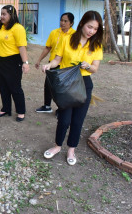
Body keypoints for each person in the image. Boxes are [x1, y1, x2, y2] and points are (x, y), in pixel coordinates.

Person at [41, 10, 103, 166]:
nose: (91, 31)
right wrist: (49, 65)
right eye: (89, 27)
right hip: (67, 83)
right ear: (82, 23)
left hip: (84, 85)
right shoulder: (67, 39)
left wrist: (89, 66)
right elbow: (57, 60)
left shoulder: (95, 44)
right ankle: (57, 146)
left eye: (95, 29)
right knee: (64, 119)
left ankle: (71, 149)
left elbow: (95, 68)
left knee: (77, 120)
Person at [35, 13, 75, 113]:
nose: (62, 23)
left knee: (62, 89)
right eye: (61, 20)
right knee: (48, 86)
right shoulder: (54, 33)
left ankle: (61, 109)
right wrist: (39, 60)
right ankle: (47, 106)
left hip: (65, 65)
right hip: (52, 63)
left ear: (71, 23)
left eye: (66, 21)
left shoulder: (74, 35)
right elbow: (48, 47)